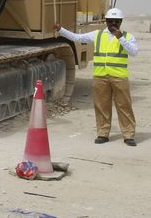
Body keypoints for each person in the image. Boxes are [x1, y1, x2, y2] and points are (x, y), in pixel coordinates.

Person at [54, 8, 139, 146]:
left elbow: (134, 52)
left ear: (121, 22)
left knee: (124, 106)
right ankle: (103, 134)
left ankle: (128, 135)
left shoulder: (128, 37)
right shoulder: (97, 35)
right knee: (101, 106)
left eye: (116, 21)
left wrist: (120, 38)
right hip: (101, 77)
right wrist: (61, 30)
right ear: (106, 21)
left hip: (119, 77)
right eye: (110, 21)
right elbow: (78, 38)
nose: (113, 24)